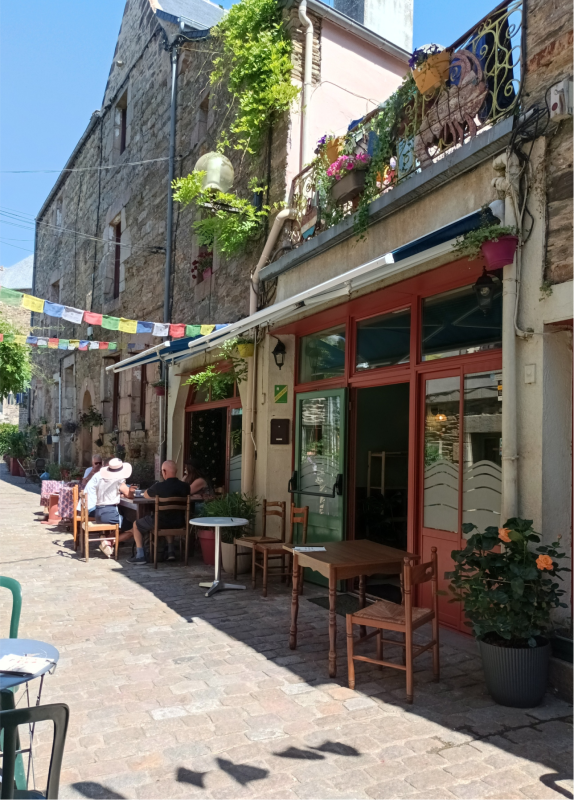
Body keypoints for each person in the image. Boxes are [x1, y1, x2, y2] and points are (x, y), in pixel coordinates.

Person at [120, 460, 190, 566]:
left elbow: (146, 495)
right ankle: (171, 552)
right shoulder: (185, 486)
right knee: (170, 516)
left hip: (161, 523)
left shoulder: (159, 486)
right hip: (180, 522)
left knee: (136, 524)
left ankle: (140, 555)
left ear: (164, 471)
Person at [90, 457, 132, 557]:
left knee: (123, 523)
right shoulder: (118, 480)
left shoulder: (102, 480)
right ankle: (109, 541)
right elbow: (129, 494)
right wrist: (133, 492)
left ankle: (107, 540)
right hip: (109, 512)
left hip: (98, 513)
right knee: (135, 527)